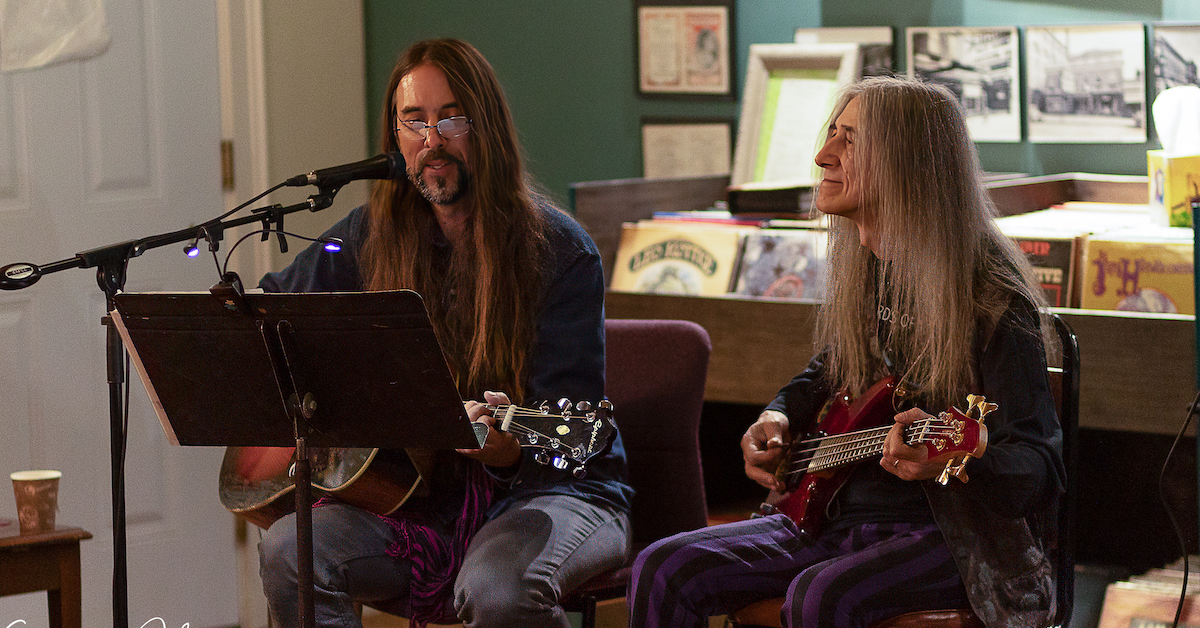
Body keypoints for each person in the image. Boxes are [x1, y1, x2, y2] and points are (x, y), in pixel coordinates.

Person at [627, 76, 1066, 628]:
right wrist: (779, 413)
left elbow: (1040, 468)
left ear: (907, 164)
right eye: (831, 134)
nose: (821, 155)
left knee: (820, 597)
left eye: (849, 141)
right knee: (662, 568)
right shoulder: (872, 273)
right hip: (832, 521)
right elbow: (830, 371)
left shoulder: (994, 300)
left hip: (951, 538)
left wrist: (958, 458)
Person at [256, 38, 634, 628]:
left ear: (487, 127)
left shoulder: (559, 252)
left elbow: (573, 434)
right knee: (291, 549)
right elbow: (273, 310)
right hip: (417, 501)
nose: (432, 140)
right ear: (396, 137)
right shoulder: (367, 237)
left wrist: (508, 450)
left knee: (498, 588)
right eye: (414, 121)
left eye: (451, 117)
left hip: (558, 494)